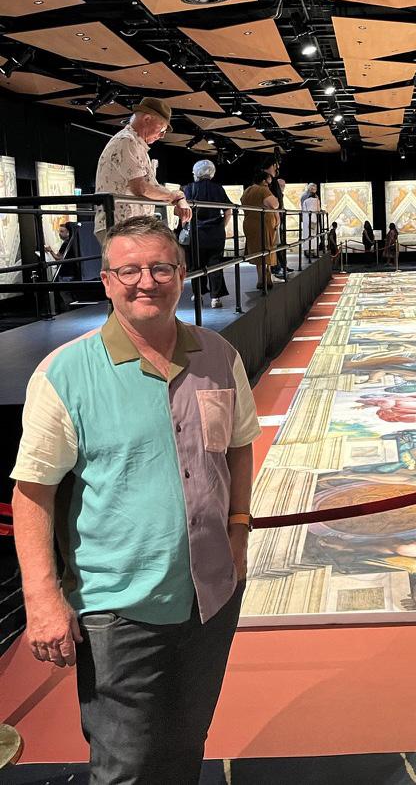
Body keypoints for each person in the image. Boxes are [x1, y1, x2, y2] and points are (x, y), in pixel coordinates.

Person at [11, 215, 260, 784]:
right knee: (126, 763)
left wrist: (238, 529)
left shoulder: (219, 356)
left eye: (161, 268)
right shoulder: (64, 374)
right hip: (119, 608)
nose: (146, 282)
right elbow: (32, 492)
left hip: (211, 596)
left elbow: (239, 446)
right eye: (129, 271)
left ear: (182, 274)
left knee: (186, 740)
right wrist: (42, 598)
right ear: (107, 281)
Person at [94, 97, 191, 243]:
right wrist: (175, 197)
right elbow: (141, 188)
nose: (162, 135)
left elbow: (150, 187)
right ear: (147, 119)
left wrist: (178, 197)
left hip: (129, 226)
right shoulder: (126, 141)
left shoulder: (136, 145)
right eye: (162, 129)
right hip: (120, 226)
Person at [182, 159, 231, 308]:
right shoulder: (218, 188)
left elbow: (185, 211)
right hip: (216, 233)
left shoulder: (190, 188)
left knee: (196, 264)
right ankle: (216, 298)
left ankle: (198, 294)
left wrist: (184, 226)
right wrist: (221, 226)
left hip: (197, 233)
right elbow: (228, 210)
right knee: (215, 264)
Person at [242, 169, 280, 291]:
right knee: (266, 249)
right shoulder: (263, 190)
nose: (269, 183)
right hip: (263, 224)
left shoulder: (247, 190)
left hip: (249, 223)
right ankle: (265, 279)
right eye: (269, 181)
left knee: (257, 251)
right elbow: (275, 204)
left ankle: (262, 279)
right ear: (264, 181)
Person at [262, 156, 291, 280]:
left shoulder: (272, 180)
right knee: (273, 244)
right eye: (275, 166)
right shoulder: (267, 179)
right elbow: (272, 201)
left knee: (278, 243)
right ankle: (275, 268)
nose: (277, 169)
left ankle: (280, 266)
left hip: (276, 215)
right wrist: (277, 215)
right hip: (272, 216)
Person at [300, 182, 320, 259]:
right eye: (312, 188)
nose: (313, 190)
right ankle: (308, 251)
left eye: (314, 189)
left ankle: (312, 251)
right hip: (308, 218)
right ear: (309, 188)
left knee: (312, 235)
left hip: (311, 218)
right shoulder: (305, 196)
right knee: (308, 234)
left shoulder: (316, 197)